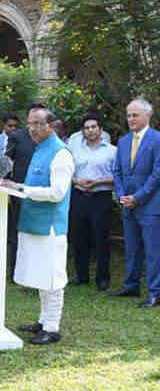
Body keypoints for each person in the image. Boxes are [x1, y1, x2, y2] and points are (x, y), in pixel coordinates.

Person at [0, 108, 73, 345]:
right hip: (33, 221)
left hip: (50, 225)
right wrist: (12, 187)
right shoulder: (40, 149)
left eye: (38, 124)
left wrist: (21, 189)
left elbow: (57, 193)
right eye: (30, 123)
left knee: (52, 278)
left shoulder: (61, 153)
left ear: (51, 125)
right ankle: (43, 321)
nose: (32, 129)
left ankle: (52, 328)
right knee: (41, 276)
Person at [111, 99, 160, 308]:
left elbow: (157, 174)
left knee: (152, 251)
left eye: (135, 115)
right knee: (132, 248)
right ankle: (131, 286)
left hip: (150, 206)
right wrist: (122, 195)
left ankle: (155, 293)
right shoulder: (123, 141)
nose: (130, 119)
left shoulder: (157, 139)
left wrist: (138, 197)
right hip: (127, 205)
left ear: (148, 115)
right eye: (129, 115)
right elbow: (118, 172)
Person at [68, 111, 116, 291]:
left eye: (93, 127)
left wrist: (98, 182)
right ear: (82, 131)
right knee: (79, 237)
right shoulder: (75, 150)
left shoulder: (112, 151)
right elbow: (68, 173)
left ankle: (103, 278)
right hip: (79, 196)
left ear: (100, 129)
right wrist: (77, 181)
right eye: (87, 128)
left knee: (101, 238)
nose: (90, 131)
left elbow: (118, 177)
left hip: (100, 198)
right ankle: (81, 276)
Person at [5, 105, 40, 279]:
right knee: (17, 233)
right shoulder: (17, 137)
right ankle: (16, 271)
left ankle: (35, 272)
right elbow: (6, 163)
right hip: (18, 192)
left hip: (41, 193)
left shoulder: (47, 139)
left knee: (36, 234)